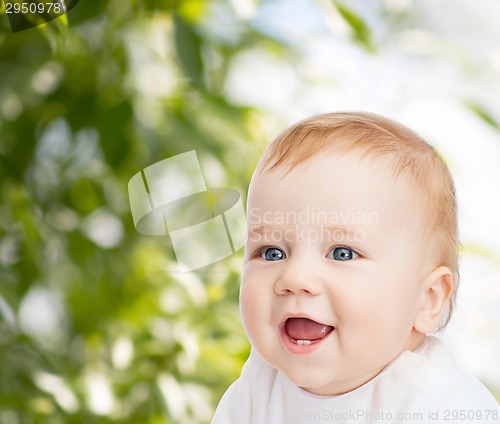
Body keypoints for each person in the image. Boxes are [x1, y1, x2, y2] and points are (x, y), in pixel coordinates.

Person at [211, 112, 499, 423]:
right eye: (271, 253)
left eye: (343, 253)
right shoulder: (259, 386)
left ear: (427, 298)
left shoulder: (441, 404)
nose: (294, 278)